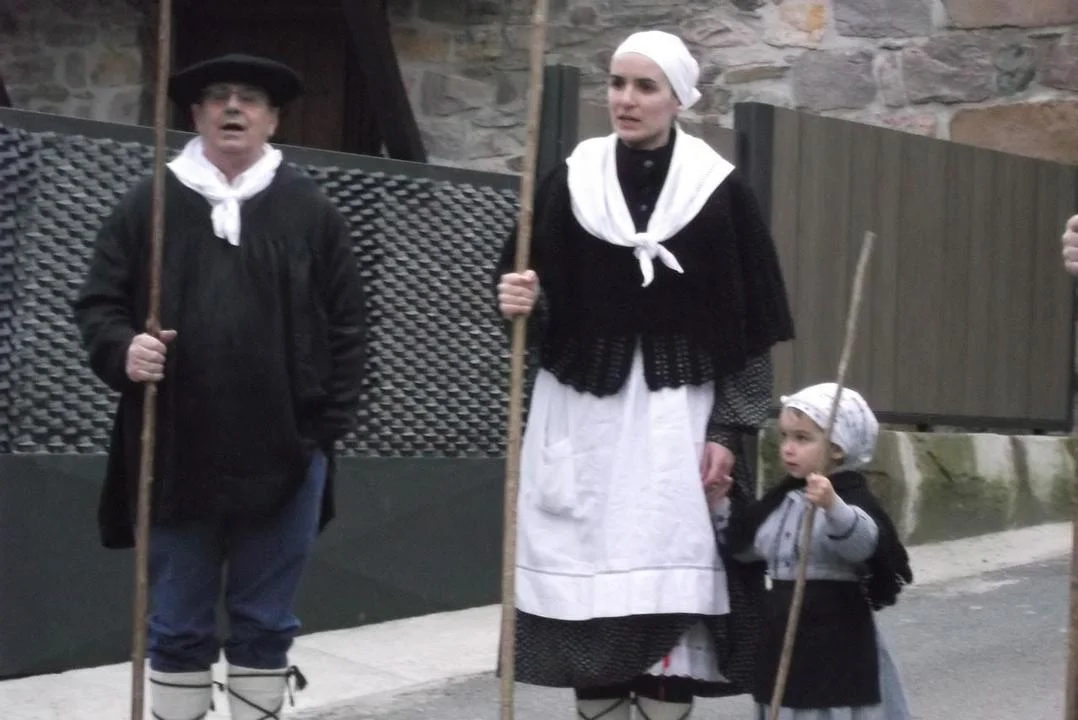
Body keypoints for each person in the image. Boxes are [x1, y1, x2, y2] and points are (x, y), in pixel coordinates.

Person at [495, 30, 795, 720]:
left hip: (676, 422)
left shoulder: (717, 192)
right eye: (617, 83)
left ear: (678, 98)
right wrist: (519, 300)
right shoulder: (572, 179)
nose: (625, 100)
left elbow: (749, 331)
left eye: (644, 87)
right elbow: (531, 298)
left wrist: (729, 429)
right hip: (581, 416)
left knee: (672, 594)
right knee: (586, 599)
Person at [72, 53, 367, 720]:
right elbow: (98, 305)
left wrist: (322, 432)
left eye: (250, 98)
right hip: (174, 448)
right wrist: (125, 348)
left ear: (273, 119)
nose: (234, 107)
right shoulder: (149, 204)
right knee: (178, 625)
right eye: (217, 96)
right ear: (196, 113)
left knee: (265, 622)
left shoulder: (311, 209)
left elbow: (349, 324)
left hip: (286, 453)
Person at [716, 383, 913, 720]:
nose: (788, 448)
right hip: (783, 635)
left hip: (836, 640)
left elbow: (863, 545)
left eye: (802, 438)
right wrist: (720, 506)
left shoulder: (849, 498)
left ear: (837, 447)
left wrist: (833, 506)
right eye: (784, 436)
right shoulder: (781, 500)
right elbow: (747, 548)